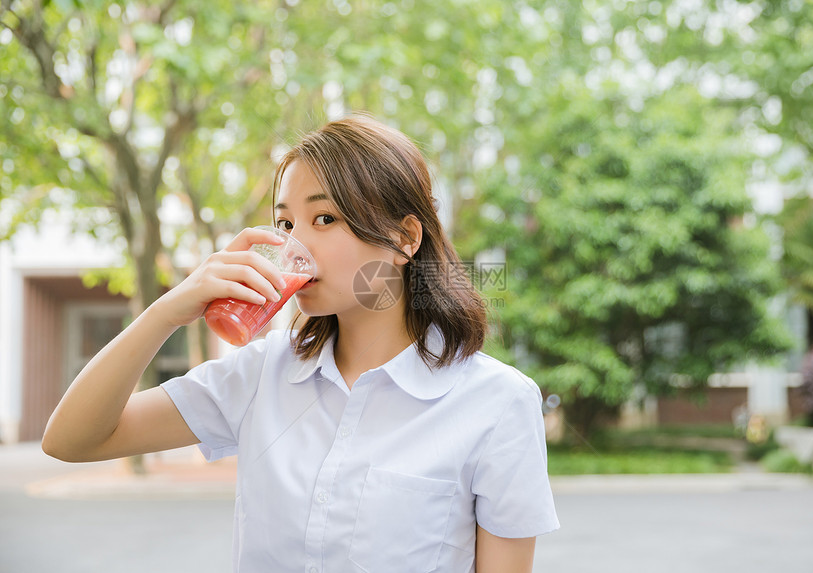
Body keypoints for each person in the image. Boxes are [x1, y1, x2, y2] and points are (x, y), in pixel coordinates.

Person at [43, 114, 560, 573]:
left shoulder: (497, 402)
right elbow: (72, 440)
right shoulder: (259, 375)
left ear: (406, 238)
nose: (295, 244)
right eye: (286, 222)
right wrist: (167, 311)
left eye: (325, 218)